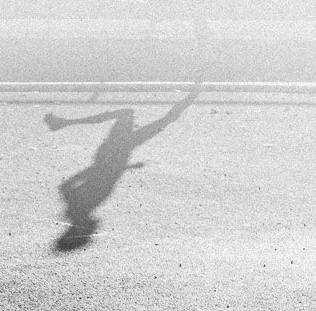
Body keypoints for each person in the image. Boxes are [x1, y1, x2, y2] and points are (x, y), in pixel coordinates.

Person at [43, 88, 199, 249]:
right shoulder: (79, 205)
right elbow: (72, 184)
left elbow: (99, 176)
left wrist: (117, 167)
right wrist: (123, 167)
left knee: (150, 118)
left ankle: (65, 122)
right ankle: (195, 93)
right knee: (156, 119)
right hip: (116, 151)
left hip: (115, 151)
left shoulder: (89, 203)